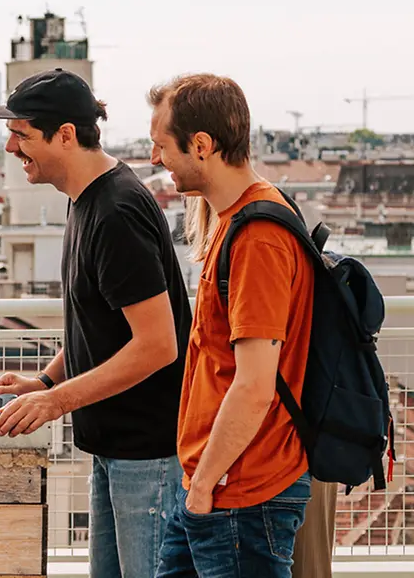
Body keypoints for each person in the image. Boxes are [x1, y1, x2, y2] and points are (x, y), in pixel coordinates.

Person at [0, 69, 190, 578]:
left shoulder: (115, 212)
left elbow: (159, 345)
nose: (11, 147)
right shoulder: (89, 200)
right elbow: (100, 328)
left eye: (22, 134)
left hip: (148, 454)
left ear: (66, 135)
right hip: (116, 448)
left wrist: (56, 401)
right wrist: (46, 381)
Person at [147, 73, 315, 577]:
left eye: (161, 146)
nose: (156, 160)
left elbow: (254, 385)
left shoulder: (258, 237)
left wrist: (202, 490)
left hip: (241, 491)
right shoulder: (237, 218)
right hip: (216, 486)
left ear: (201, 145)